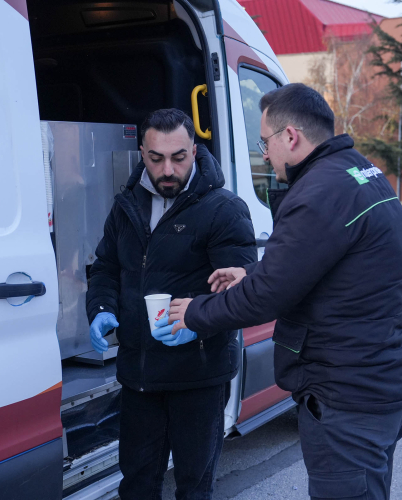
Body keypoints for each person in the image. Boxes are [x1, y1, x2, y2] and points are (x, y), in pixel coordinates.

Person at [167, 84, 402, 500]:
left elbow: (268, 296)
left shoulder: (319, 193)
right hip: (380, 381)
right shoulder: (360, 172)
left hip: (346, 398)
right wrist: (251, 273)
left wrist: (195, 313)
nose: (265, 155)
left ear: (290, 136)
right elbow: (323, 264)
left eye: (265, 142)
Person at [85, 108, 257, 499]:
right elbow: (106, 267)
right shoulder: (127, 205)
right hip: (140, 375)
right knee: (136, 485)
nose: (167, 170)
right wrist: (101, 309)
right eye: (156, 158)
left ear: (194, 151)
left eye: (178, 158)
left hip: (198, 375)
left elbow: (241, 291)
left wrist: (198, 322)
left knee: (193, 488)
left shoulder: (223, 209)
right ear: (141, 153)